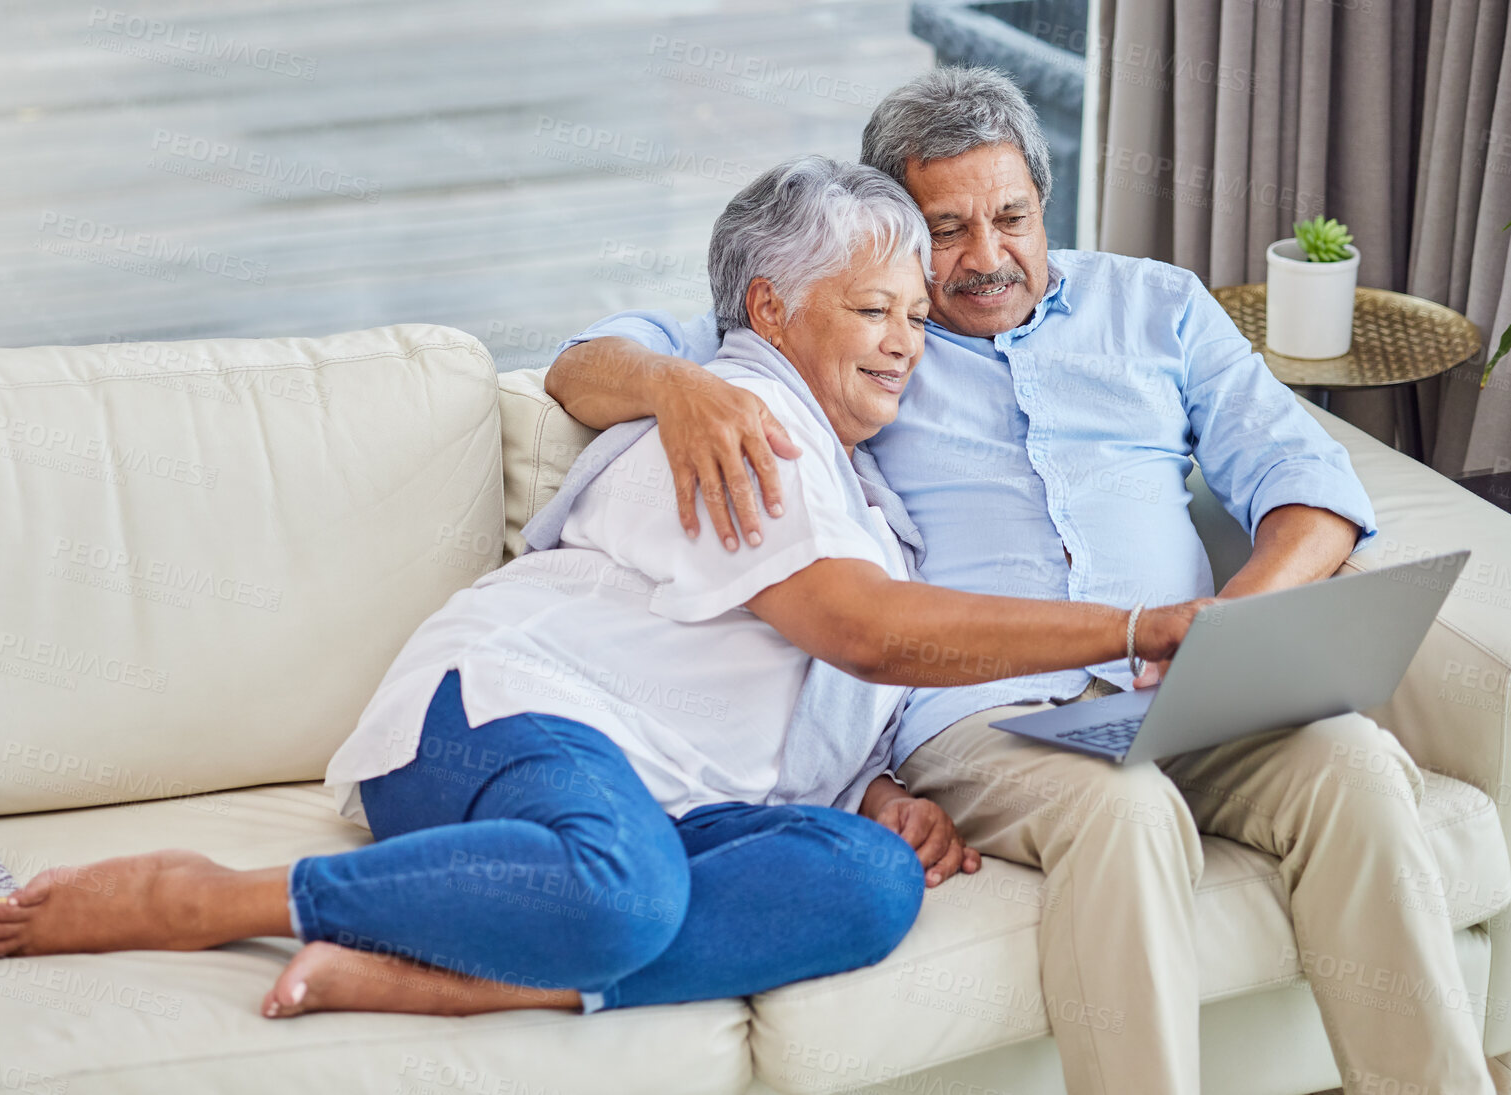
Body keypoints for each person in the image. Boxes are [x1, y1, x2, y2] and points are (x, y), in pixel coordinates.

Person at [0, 156, 1205, 1023]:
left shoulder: (854, 484)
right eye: (872, 308)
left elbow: (778, 667)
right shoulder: (743, 413)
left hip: (675, 795)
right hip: (506, 718)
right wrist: (1140, 626)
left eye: (916, 321)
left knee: (866, 885)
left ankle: (453, 975)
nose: (902, 340)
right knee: (621, 890)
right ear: (770, 310)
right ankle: (205, 900)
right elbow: (856, 629)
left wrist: (871, 786)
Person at [544, 67, 1492, 1095]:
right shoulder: (858, 334)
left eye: (1011, 217)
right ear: (896, 230)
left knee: (1353, 761)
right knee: (1125, 812)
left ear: (1048, 202)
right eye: (946, 229)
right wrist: (671, 385)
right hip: (983, 716)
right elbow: (583, 361)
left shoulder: (1157, 307)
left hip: (1192, 687)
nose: (986, 257)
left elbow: (1307, 487)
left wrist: (1225, 631)